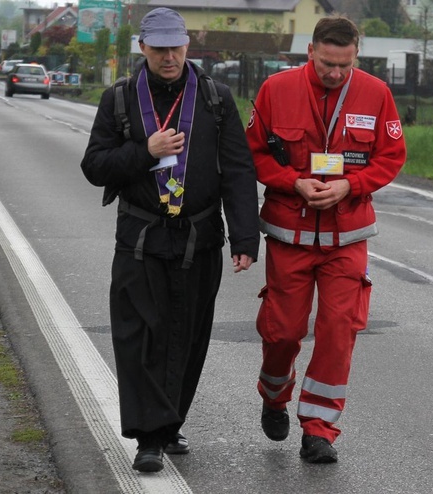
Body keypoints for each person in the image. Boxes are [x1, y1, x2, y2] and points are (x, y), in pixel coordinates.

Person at [80, 7, 260, 473]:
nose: (168, 57)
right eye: (158, 48)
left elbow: (238, 171)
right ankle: (149, 437)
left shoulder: (216, 100)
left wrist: (245, 237)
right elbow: (94, 166)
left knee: (188, 334)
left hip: (199, 238)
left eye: (175, 47)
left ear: (187, 45)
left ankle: (169, 419)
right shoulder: (119, 98)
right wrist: (146, 152)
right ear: (143, 48)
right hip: (140, 237)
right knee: (139, 335)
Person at [246, 15, 406, 463]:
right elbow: (254, 151)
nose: (335, 73)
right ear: (311, 50)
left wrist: (350, 186)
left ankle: (320, 430)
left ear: (357, 55)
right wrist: (292, 181)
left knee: (339, 330)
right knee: (284, 331)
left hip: (347, 235)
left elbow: (392, 155)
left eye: (345, 64)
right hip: (289, 234)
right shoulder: (276, 90)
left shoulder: (376, 94)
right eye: (327, 63)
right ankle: (273, 395)